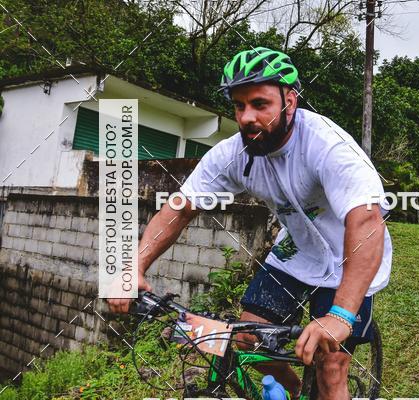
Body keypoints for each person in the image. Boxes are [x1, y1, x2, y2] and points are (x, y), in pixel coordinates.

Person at [108, 47, 392, 400]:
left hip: (349, 256)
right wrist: (132, 268)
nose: (246, 117)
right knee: (248, 338)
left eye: (260, 104)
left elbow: (367, 221)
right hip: (297, 253)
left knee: (330, 366)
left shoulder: (328, 146)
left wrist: (340, 315)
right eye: (239, 106)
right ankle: (295, 391)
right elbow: (180, 208)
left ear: (290, 101)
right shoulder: (234, 152)